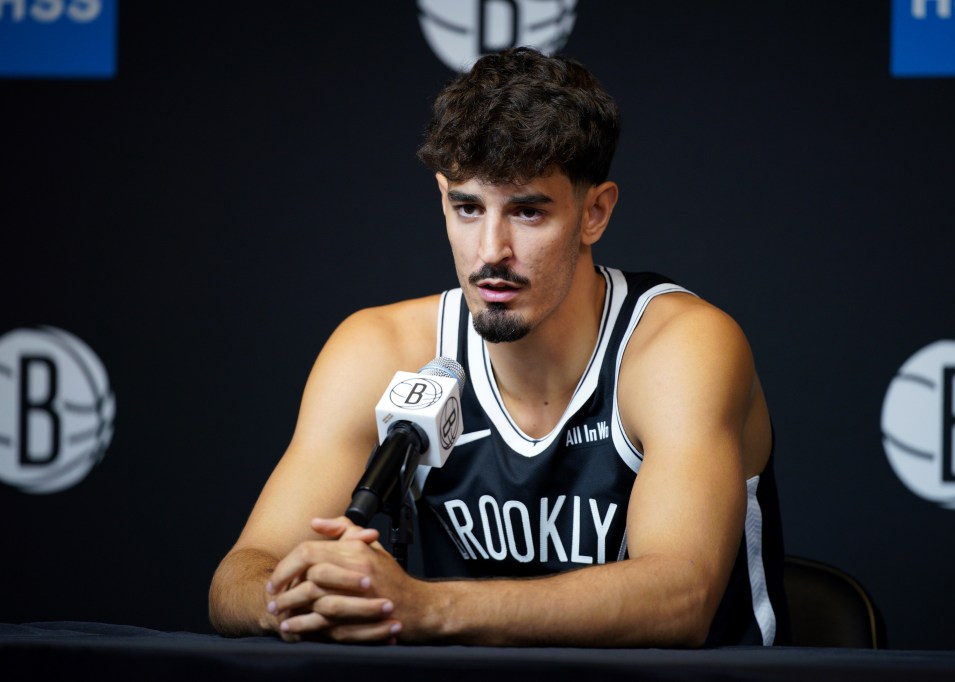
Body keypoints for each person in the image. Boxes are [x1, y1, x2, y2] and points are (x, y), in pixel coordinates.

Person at [208, 46, 788, 648]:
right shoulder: (381, 348)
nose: (490, 251)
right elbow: (239, 576)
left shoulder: (678, 346)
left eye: (528, 212)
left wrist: (425, 606)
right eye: (467, 208)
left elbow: (680, 598)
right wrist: (296, 599)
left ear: (594, 212)